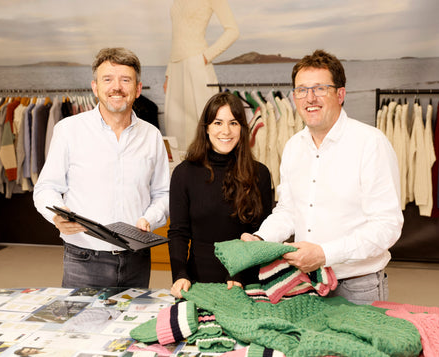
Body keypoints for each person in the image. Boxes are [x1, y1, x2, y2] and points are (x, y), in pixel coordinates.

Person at [241, 49, 403, 305]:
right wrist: (260, 239)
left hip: (358, 286)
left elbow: (387, 226)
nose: (310, 98)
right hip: (306, 281)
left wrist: (325, 253)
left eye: (319, 88)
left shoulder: (371, 144)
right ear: (294, 97)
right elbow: (288, 211)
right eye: (302, 90)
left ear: (340, 94)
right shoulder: (294, 146)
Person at [33, 47, 170, 288]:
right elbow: (45, 188)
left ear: (138, 89)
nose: (116, 87)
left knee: (132, 325)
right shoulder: (68, 130)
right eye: (108, 79)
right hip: (83, 259)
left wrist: (149, 218)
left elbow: (163, 193)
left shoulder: (152, 136)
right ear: (95, 87)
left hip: (136, 259)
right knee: (79, 325)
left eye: (125, 80)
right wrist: (56, 216)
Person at [169, 92, 273, 299]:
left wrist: (241, 276)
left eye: (233, 123)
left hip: (245, 283)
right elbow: (179, 233)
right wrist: (180, 274)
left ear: (242, 128)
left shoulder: (259, 173)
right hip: (196, 284)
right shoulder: (184, 173)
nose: (226, 131)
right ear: (206, 127)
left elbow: (262, 236)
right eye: (218, 122)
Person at [163, 0, 239, 153]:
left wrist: (205, 56)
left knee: (203, 127)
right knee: (175, 130)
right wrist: (168, 74)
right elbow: (176, 36)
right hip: (175, 68)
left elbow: (233, 31)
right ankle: (181, 174)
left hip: (197, 66)